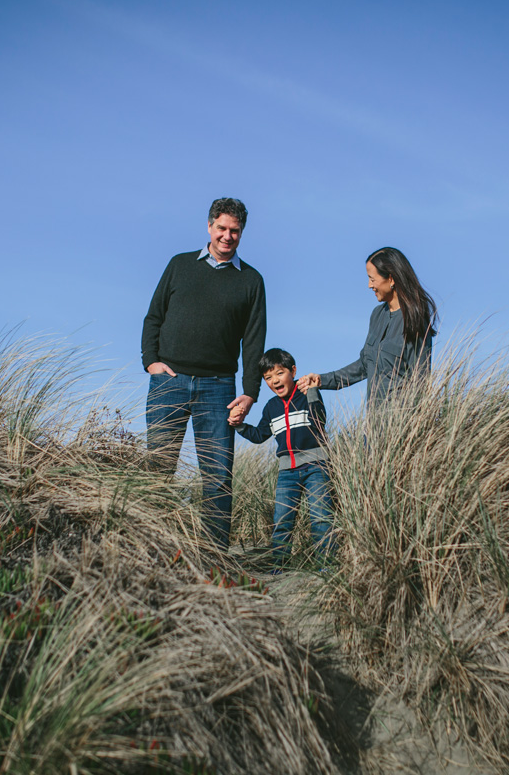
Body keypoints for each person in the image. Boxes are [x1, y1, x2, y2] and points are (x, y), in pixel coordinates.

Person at [141, 197, 266, 548]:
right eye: (222, 228)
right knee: (158, 470)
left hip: (219, 387)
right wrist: (150, 360)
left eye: (235, 231)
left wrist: (250, 392)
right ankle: (149, 549)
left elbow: (254, 341)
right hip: (169, 382)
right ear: (209, 226)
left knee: (216, 476)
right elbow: (154, 317)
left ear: (242, 233)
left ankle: (214, 559)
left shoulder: (252, 281)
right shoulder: (179, 265)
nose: (228, 236)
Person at [233, 348, 334, 568]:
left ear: (293, 371)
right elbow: (260, 435)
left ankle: (327, 564)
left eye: (279, 373)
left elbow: (319, 419)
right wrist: (239, 425)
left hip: (317, 466)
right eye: (268, 378)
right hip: (287, 472)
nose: (274, 380)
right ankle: (280, 565)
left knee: (320, 517)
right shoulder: (271, 407)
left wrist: (314, 391)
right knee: (282, 520)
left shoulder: (307, 394)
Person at [297, 246, 437, 403]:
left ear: (391, 279)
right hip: (373, 423)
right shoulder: (377, 315)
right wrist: (322, 380)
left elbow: (421, 380)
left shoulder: (415, 320)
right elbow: (363, 367)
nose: (369, 285)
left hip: (402, 422)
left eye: (372, 279)